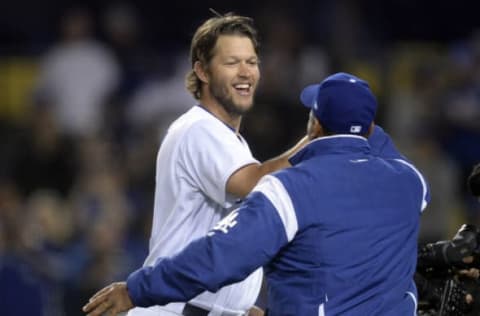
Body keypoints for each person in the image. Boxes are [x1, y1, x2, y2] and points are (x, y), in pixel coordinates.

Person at [83, 72, 430, 316]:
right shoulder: (410, 182)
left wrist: (136, 290)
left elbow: (218, 256)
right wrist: (359, 124)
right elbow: (377, 144)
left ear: (314, 125)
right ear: (371, 127)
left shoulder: (290, 190)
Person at [86, 12, 308, 316]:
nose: (246, 72)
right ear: (202, 71)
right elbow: (256, 183)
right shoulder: (199, 129)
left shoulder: (231, 143)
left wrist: (239, 307)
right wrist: (318, 137)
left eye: (252, 62)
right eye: (232, 63)